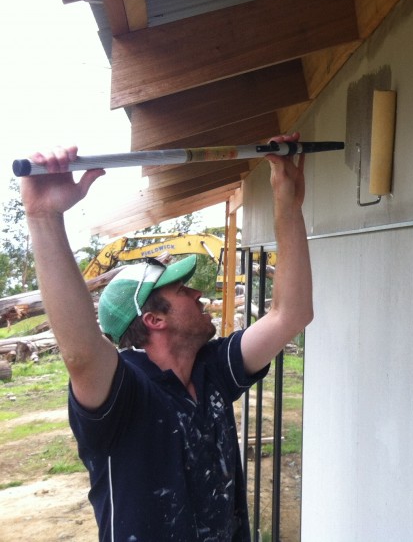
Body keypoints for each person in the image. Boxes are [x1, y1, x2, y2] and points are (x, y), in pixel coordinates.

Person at [20, 133, 313, 542]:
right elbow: (82, 354)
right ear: (154, 319)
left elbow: (290, 314)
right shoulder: (124, 391)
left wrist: (288, 205)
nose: (198, 294)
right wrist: (44, 217)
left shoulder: (211, 368)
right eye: (182, 290)